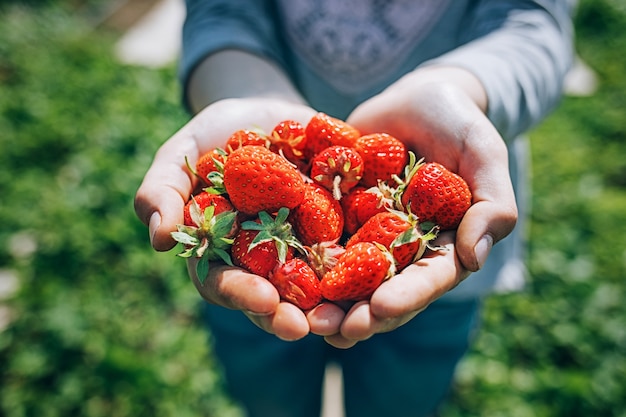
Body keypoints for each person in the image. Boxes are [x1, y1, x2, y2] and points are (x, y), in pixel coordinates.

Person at [134, 1, 574, 416]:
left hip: (442, 272)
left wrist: (457, 91)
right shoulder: (283, 201)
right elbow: (222, 11)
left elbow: (534, 24)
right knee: (269, 397)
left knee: (401, 400)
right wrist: (237, 93)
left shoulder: (375, 204)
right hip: (257, 273)